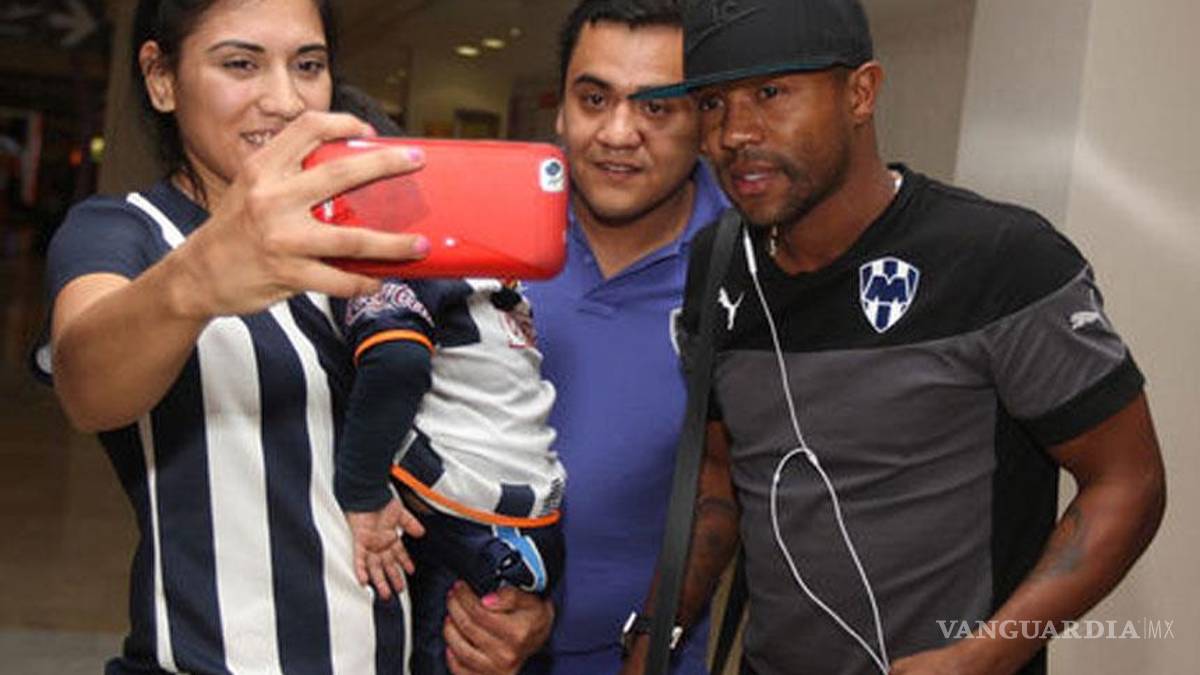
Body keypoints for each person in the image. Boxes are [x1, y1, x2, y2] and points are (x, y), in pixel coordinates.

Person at [623, 1, 1168, 674]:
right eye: (711, 103)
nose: (733, 133)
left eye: (770, 93)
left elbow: (1128, 481)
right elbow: (719, 479)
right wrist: (655, 633)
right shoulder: (719, 266)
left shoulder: (1001, 260)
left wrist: (983, 656)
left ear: (861, 92)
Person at [41, 1, 542, 672]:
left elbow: (481, 427)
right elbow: (87, 385)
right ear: (161, 79)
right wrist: (198, 278)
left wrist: (511, 603)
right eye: (240, 64)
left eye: (308, 66)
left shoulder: (378, 240)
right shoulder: (126, 233)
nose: (284, 100)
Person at [521, 1, 729, 673]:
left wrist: (654, 639)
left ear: (705, 120)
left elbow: (739, 489)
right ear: (561, 110)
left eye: (656, 108)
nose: (617, 133)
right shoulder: (486, 237)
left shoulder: (750, 268)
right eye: (593, 99)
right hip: (455, 643)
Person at [329, 92, 567, 675]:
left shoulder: (395, 260)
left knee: (448, 652)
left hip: (467, 510)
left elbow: (398, 361)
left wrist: (360, 490)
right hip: (532, 504)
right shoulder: (479, 258)